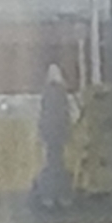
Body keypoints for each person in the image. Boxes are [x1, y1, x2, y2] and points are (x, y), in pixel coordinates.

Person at [36, 63, 76, 212]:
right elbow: (66, 114)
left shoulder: (46, 93)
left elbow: (43, 114)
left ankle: (48, 196)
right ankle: (63, 196)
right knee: (59, 164)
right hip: (60, 133)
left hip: (50, 134)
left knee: (51, 163)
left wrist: (41, 132)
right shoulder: (62, 93)